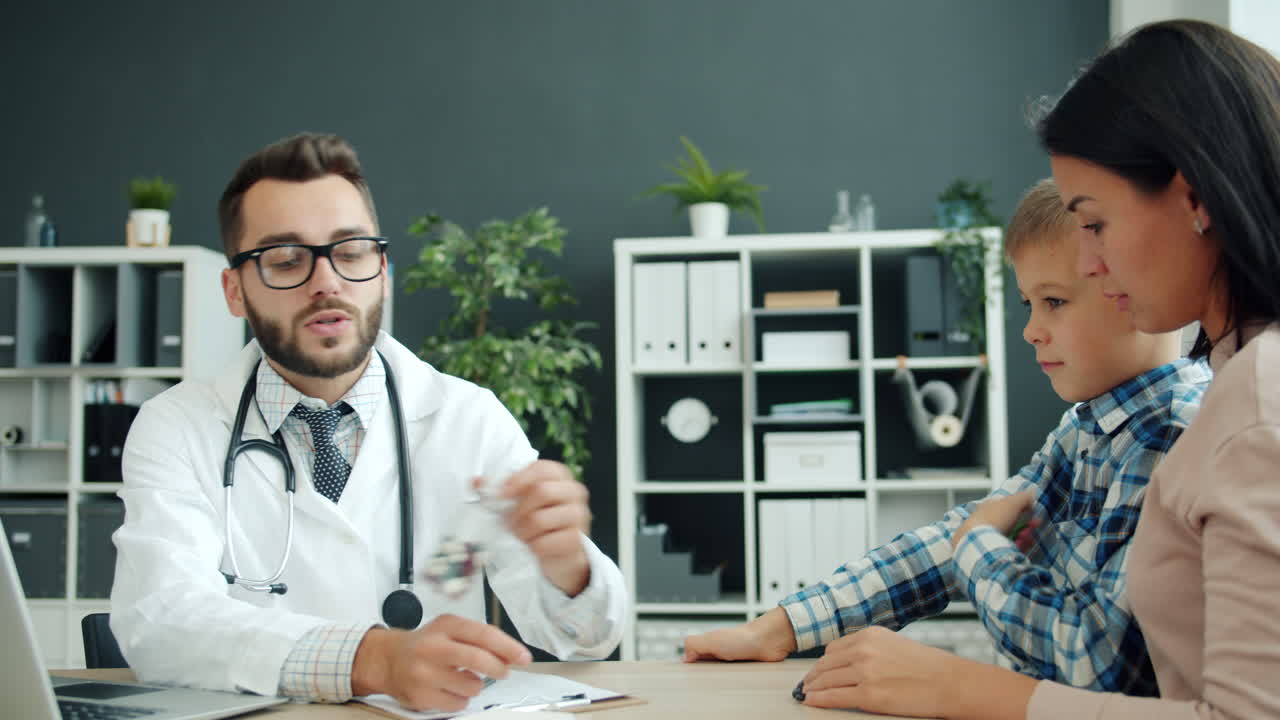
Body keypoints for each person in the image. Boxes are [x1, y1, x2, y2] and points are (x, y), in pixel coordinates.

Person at [794, 19, 1280, 720]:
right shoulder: (1229, 388)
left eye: (1095, 222)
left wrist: (956, 686)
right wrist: (789, 624)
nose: (1086, 261)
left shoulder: (1255, 401)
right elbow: (969, 525)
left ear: (1193, 196)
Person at [109, 133, 627, 712]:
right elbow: (159, 620)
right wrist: (369, 660)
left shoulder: (468, 420)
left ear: (381, 270)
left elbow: (587, 639)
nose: (326, 281)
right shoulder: (176, 428)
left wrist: (567, 568)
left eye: (350, 251)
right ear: (235, 291)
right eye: (285, 260)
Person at [684, 177, 1211, 696]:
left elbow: (1096, 662)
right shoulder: (1087, 428)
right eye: (1029, 304)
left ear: (1136, 282)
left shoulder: (1171, 436)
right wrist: (778, 629)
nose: (1030, 330)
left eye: (1053, 301)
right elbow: (949, 543)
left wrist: (981, 548)